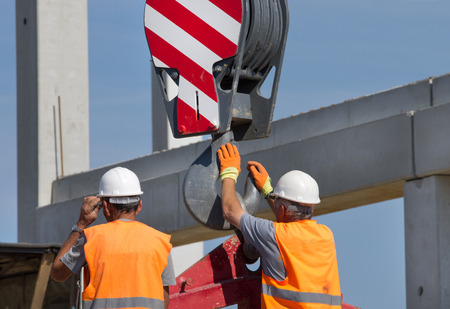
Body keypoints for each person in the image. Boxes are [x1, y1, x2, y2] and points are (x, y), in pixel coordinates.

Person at [218, 143, 341, 308]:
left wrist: (229, 173)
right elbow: (289, 218)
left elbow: (230, 211)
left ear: (281, 208)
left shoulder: (273, 234)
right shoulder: (326, 235)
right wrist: (268, 192)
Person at [51, 167, 175, 309]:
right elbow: (163, 299)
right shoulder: (161, 242)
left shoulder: (91, 238)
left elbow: (58, 272)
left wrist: (81, 224)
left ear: (106, 207)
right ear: (139, 205)